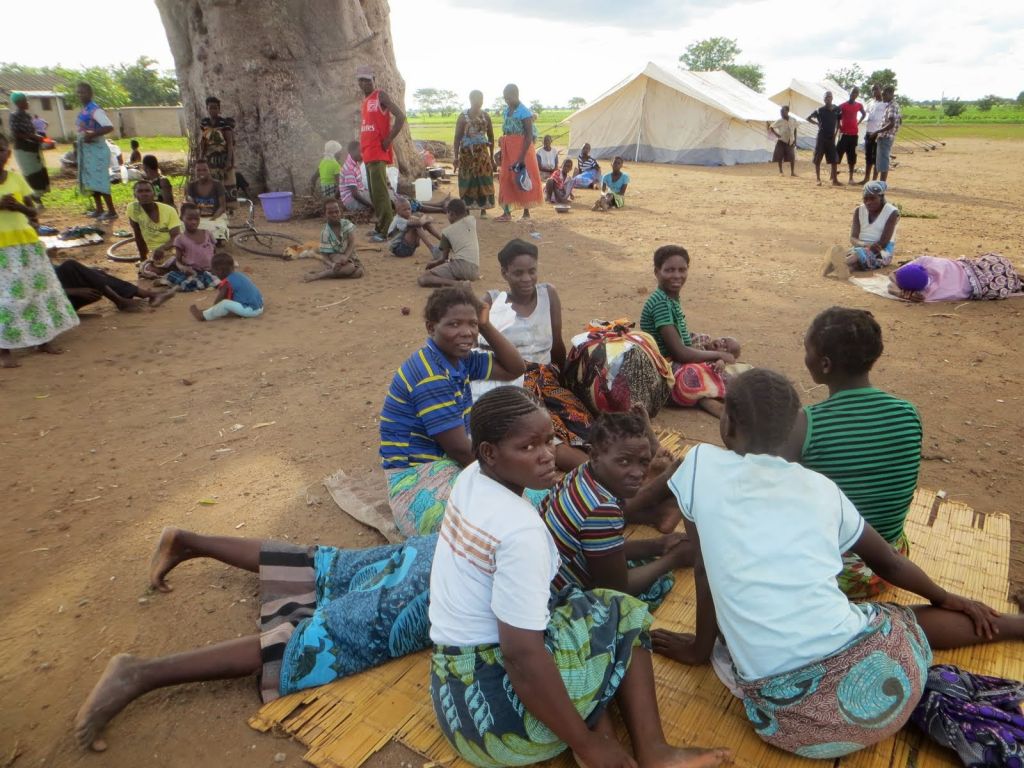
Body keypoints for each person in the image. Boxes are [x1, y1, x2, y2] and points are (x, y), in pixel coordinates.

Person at [652, 368, 1024, 759]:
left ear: (726, 424)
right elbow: (891, 565)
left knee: (749, 634)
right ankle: (1011, 625)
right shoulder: (822, 490)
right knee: (892, 618)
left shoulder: (699, 465)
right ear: (794, 429)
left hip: (793, 725)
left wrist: (698, 650)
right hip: (890, 696)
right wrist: (946, 596)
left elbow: (705, 571)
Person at [428, 386, 731, 768]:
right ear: (490, 452)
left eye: (549, 440)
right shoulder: (522, 532)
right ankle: (653, 750)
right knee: (622, 610)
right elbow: (520, 656)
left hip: (454, 701)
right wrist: (587, 745)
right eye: (528, 447)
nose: (546, 455)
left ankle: (603, 727)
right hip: (502, 729)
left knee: (577, 604)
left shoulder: (473, 479)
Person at [73, 526, 438, 752]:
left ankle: (189, 543)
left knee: (327, 567)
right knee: (320, 642)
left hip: (440, 546)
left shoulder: (481, 480)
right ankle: (140, 673)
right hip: (441, 578)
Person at [782, 307, 921, 599]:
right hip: (888, 563)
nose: (804, 356)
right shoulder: (907, 413)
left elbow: (776, 493)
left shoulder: (806, 423)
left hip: (831, 572)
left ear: (825, 364)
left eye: (807, 348)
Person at [379, 286, 526, 536]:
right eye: (454, 324)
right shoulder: (430, 375)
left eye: (472, 324)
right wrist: (507, 483)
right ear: (431, 327)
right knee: (494, 523)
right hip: (415, 480)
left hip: (445, 465)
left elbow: (515, 368)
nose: (466, 332)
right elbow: (460, 450)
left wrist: (487, 326)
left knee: (524, 498)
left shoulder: (460, 360)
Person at [540, 410, 693, 608]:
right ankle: (663, 487)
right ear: (594, 455)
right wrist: (673, 559)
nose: (638, 473)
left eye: (644, 462)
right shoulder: (602, 509)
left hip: (548, 573)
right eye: (624, 461)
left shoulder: (582, 473)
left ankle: (662, 491)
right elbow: (616, 589)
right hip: (552, 600)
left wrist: (659, 545)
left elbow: (602, 549)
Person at [473, 239, 593, 470]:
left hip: (547, 378)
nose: (527, 279)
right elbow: (477, 344)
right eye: (518, 273)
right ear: (504, 273)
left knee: (583, 423)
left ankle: (598, 465)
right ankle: (595, 473)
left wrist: (566, 383)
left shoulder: (548, 294)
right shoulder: (493, 301)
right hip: (513, 381)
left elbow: (556, 344)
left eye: (532, 271)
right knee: (543, 432)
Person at [0, 134, 79, 368]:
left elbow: (34, 212)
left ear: (9, 153)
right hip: (2, 251)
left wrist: (19, 207)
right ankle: (4, 349)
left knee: (39, 292)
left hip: (25, 245)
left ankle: (43, 340)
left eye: (3, 149)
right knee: (6, 299)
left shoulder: (16, 179)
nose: (0, 154)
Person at [640, 245, 745, 417]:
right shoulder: (660, 303)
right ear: (657, 272)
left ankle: (709, 395)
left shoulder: (669, 299)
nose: (677, 276)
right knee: (701, 375)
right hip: (665, 369)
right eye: (669, 270)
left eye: (682, 270)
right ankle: (720, 397)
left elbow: (683, 343)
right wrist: (719, 356)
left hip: (674, 361)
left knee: (711, 364)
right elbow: (680, 353)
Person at [358, 65, 407, 241]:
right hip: (368, 153)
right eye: (361, 80)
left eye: (367, 80)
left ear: (373, 80)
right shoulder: (365, 101)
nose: (364, 83)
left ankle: (386, 230)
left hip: (378, 152)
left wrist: (389, 139)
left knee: (380, 193)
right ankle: (380, 226)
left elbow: (400, 117)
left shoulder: (380, 96)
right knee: (374, 193)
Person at [826, 180, 899, 275]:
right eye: (865, 199)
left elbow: (883, 243)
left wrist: (866, 248)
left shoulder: (891, 212)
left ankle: (833, 265)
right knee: (856, 261)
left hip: (882, 253)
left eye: (873, 198)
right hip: (860, 247)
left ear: (881, 198)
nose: (868, 202)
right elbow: (853, 238)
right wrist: (864, 245)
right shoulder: (859, 210)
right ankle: (845, 269)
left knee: (857, 255)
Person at [888, 253, 1023, 302]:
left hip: (994, 287)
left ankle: (1016, 280)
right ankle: (1017, 278)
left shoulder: (926, 294)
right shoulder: (925, 261)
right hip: (994, 265)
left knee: (1012, 282)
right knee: (1008, 273)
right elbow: (893, 274)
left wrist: (899, 293)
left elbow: (892, 278)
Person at [495, 84, 543, 222]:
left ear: (516, 95)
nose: (507, 100)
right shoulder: (506, 111)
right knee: (505, 178)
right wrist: (501, 149)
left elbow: (528, 136)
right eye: (505, 98)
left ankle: (526, 211)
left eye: (508, 98)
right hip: (508, 149)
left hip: (522, 150)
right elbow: (505, 131)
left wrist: (521, 157)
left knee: (523, 178)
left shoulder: (524, 112)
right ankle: (506, 212)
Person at [53, 259, 174, 312]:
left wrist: (90, 271)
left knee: (95, 273)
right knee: (70, 265)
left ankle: (144, 295)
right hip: (50, 306)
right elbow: (35, 293)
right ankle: (121, 300)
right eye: (33, 220)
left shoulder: (36, 250)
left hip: (60, 295)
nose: (37, 224)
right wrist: (72, 291)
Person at [75, 82, 117, 220]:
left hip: (97, 149)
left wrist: (92, 134)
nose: (81, 95)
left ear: (90, 94)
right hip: (88, 150)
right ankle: (99, 209)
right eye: (79, 92)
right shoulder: (85, 110)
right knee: (92, 181)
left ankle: (111, 211)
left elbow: (109, 127)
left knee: (100, 179)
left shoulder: (95, 110)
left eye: (84, 92)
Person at [418, 199, 479, 287]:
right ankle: (458, 281)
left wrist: (434, 263)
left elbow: (443, 259)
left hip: (460, 266)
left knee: (424, 278)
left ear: (452, 214)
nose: (447, 216)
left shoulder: (447, 232)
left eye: (447, 213)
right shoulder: (472, 220)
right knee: (450, 270)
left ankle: (458, 284)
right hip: (474, 270)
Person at [453, 90, 495, 215]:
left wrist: (492, 157)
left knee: (483, 179)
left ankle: (484, 207)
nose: (479, 102)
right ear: (470, 100)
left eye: (481, 99)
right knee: (468, 180)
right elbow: (457, 138)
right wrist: (456, 157)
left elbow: (491, 137)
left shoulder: (486, 116)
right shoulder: (462, 117)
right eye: (476, 99)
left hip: (482, 154)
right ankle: (467, 207)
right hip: (467, 155)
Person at [189, 251, 263, 322]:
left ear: (219, 271)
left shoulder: (227, 282)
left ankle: (203, 316)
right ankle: (206, 312)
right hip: (260, 306)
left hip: (251, 311)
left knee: (224, 303)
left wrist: (212, 310)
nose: (214, 274)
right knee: (229, 302)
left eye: (214, 272)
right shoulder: (239, 275)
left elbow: (217, 303)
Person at [129, 180, 182, 277]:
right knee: (147, 269)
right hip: (156, 254)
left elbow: (177, 237)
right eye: (140, 191)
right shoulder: (133, 209)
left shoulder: (169, 210)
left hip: (172, 248)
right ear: (135, 194)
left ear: (154, 193)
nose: (144, 194)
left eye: (147, 191)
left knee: (179, 260)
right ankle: (174, 271)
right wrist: (142, 259)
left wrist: (162, 248)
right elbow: (138, 235)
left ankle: (173, 270)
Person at [304, 199, 363, 281]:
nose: (334, 215)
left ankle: (329, 272)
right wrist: (332, 264)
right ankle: (319, 275)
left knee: (358, 272)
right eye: (330, 213)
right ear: (325, 214)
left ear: (340, 211)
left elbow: (352, 243)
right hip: (335, 258)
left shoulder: (346, 224)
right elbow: (324, 255)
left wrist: (346, 256)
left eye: (337, 211)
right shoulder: (325, 232)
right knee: (350, 268)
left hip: (349, 255)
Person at [163, 203, 217, 293]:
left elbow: (215, 253)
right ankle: (168, 282)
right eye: (189, 219)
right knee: (179, 277)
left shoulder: (207, 233)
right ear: (181, 218)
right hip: (193, 272)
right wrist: (183, 268)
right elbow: (178, 261)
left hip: (209, 271)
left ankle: (182, 285)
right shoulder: (180, 239)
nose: (194, 222)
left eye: (196, 219)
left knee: (216, 279)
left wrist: (216, 267)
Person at [7, 92, 50, 206]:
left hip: (33, 148)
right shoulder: (14, 116)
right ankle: (33, 199)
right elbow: (16, 134)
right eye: (25, 100)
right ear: (19, 102)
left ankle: (37, 197)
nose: (27, 103)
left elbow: (31, 131)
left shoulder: (26, 116)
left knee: (39, 172)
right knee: (31, 173)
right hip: (23, 149)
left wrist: (37, 137)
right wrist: (33, 136)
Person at [198, 96, 237, 203]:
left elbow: (229, 144)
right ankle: (214, 205)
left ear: (219, 109)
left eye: (215, 108)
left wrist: (229, 161)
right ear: (207, 108)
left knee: (226, 182)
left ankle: (227, 207)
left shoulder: (224, 123)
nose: (213, 110)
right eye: (210, 108)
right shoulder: (204, 123)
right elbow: (203, 141)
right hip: (209, 158)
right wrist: (201, 157)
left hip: (222, 157)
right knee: (211, 182)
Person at [185, 159, 229, 242]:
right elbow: (191, 206)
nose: (201, 172)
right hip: (198, 217)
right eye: (198, 170)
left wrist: (212, 219)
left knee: (218, 228)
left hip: (216, 216)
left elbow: (222, 207)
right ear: (194, 171)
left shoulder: (217, 185)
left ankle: (215, 241)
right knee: (183, 226)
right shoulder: (191, 186)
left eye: (205, 170)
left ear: (210, 170)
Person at [807, 91, 842, 187]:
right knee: (818, 158)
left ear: (832, 98)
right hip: (821, 137)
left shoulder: (837, 109)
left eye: (830, 97)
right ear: (823, 99)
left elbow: (839, 121)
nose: (828, 98)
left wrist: (836, 133)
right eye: (826, 97)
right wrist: (817, 124)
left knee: (834, 159)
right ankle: (818, 179)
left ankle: (834, 180)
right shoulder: (819, 110)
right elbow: (808, 118)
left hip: (831, 137)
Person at [837, 87, 866, 185]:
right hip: (844, 135)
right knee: (838, 154)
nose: (854, 94)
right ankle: (833, 175)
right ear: (850, 93)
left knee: (852, 157)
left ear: (858, 95)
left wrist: (859, 122)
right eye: (853, 92)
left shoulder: (859, 105)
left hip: (854, 135)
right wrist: (839, 126)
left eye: (856, 93)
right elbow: (837, 115)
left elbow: (864, 114)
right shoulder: (843, 106)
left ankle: (851, 178)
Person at [875, 85, 902, 183]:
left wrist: (877, 131)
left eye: (884, 94)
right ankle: (880, 182)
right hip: (887, 137)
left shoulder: (892, 106)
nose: (882, 97)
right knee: (882, 160)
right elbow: (900, 121)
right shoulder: (893, 105)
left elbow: (891, 123)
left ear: (891, 94)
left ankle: (882, 184)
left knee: (884, 161)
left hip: (885, 137)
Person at [861, 84, 886, 183]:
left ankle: (874, 180)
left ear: (881, 90)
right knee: (868, 157)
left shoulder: (885, 103)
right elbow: (866, 114)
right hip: (869, 132)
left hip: (878, 134)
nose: (874, 91)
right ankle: (866, 178)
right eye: (872, 90)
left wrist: (880, 131)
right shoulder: (871, 102)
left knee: (876, 158)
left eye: (876, 89)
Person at [339, 141, 372, 212]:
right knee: (378, 197)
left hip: (353, 198)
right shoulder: (349, 169)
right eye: (360, 152)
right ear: (352, 152)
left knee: (377, 194)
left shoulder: (353, 163)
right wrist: (371, 206)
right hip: (352, 201)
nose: (362, 154)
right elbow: (355, 194)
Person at [769, 105, 797, 177]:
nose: (781, 113)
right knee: (779, 156)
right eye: (781, 112)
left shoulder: (793, 120)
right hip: (781, 141)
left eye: (783, 112)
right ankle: (781, 172)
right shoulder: (780, 121)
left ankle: (792, 172)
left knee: (792, 157)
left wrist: (795, 140)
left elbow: (795, 129)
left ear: (787, 111)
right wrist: (776, 134)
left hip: (790, 141)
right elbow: (771, 127)